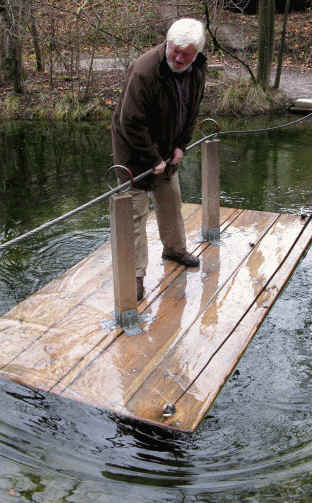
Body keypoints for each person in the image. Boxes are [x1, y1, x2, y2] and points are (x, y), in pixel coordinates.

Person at [112, 17, 206, 301]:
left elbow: (192, 109)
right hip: (134, 151)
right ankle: (136, 275)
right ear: (167, 43)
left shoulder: (197, 69)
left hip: (167, 147)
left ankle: (174, 249)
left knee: (170, 199)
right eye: (174, 50)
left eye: (185, 53)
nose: (178, 57)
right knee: (135, 214)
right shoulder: (145, 71)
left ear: (196, 53)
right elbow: (130, 122)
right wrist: (153, 159)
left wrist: (181, 146)